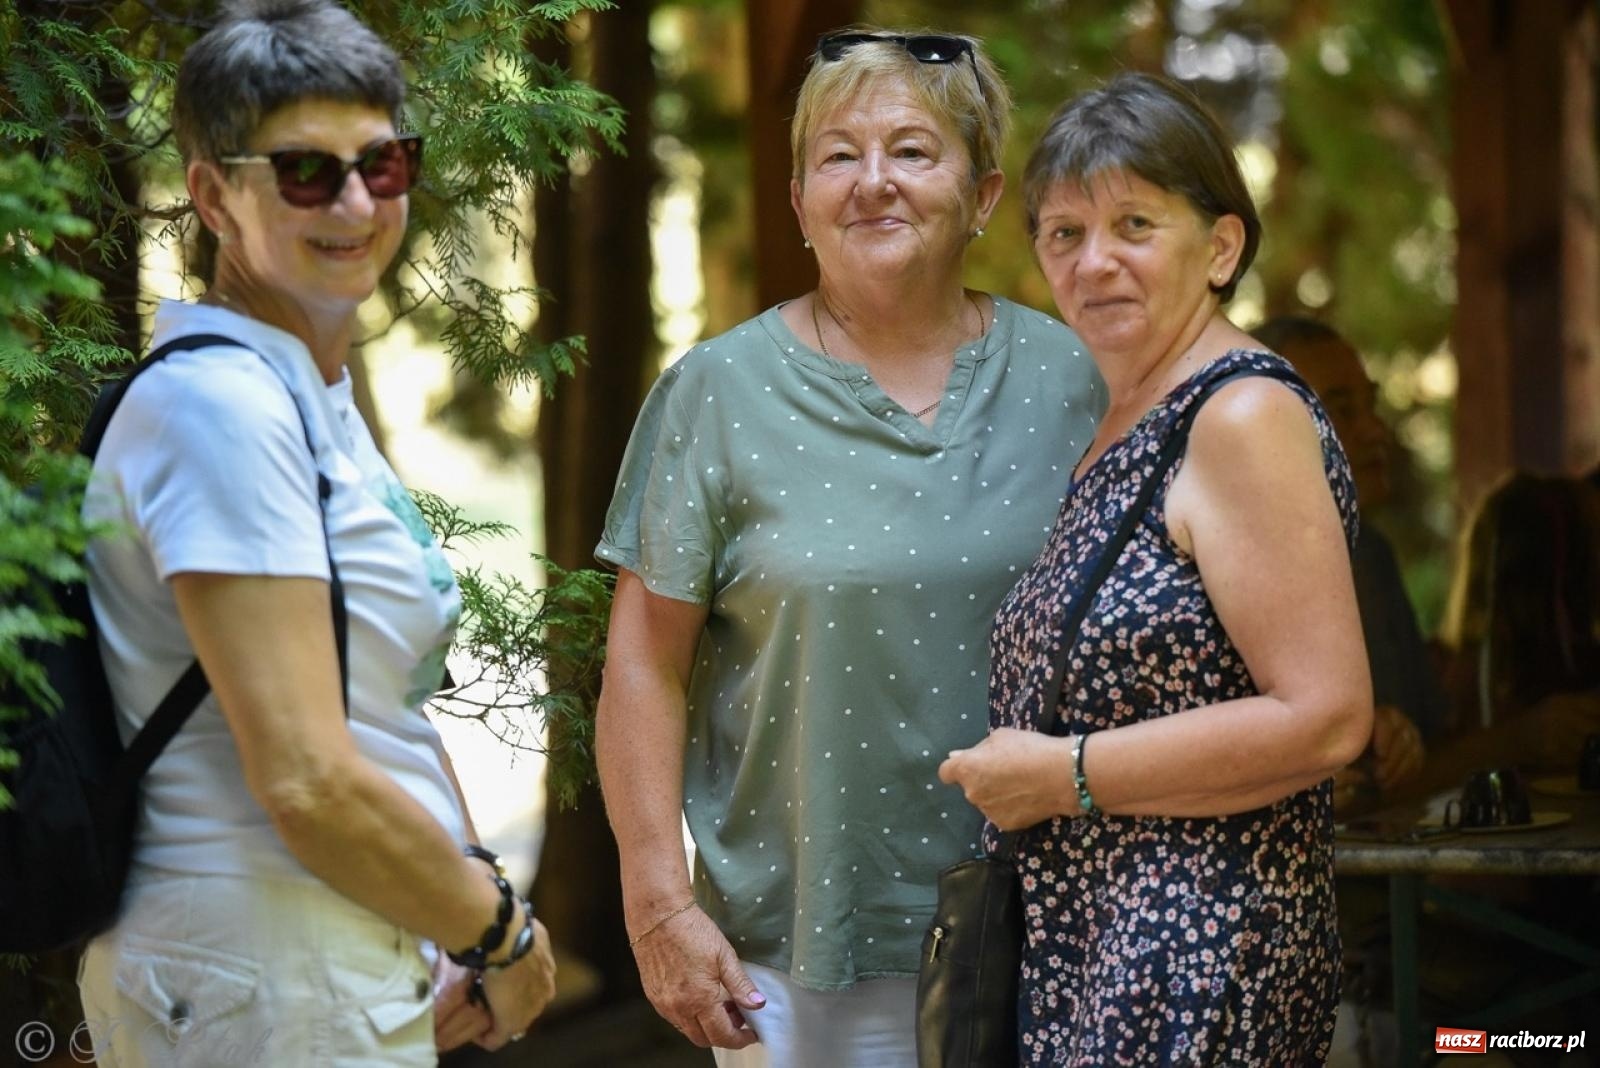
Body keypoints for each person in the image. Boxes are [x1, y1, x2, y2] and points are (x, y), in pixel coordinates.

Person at [592, 26, 1103, 1068]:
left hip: (1057, 937)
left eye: (912, 151)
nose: (873, 182)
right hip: (795, 963)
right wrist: (659, 904)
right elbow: (644, 663)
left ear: (983, 196)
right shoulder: (715, 393)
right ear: (798, 203)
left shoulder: (1075, 380)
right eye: (838, 156)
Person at [76, 1, 555, 1063]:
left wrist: (462, 912)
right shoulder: (220, 409)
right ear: (214, 195)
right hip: (255, 971)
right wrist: (501, 935)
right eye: (305, 171)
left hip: (323, 963)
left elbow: (381, 715)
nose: (354, 201)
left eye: (383, 164)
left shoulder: (299, 393)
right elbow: (306, 778)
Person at [939, 72, 1372, 1063]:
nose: (1093, 261)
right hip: (1104, 967)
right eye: (1064, 233)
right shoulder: (1127, 422)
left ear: (1219, 248)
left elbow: (1327, 715)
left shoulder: (1241, 415)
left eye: (1134, 224)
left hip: (1196, 973)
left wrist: (1063, 777)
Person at [1251, 316, 1443, 812]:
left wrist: (1397, 743)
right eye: (1340, 409)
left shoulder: (1368, 554)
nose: (1375, 430)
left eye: (1370, 406)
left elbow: (1426, 742)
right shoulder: (1190, 573)